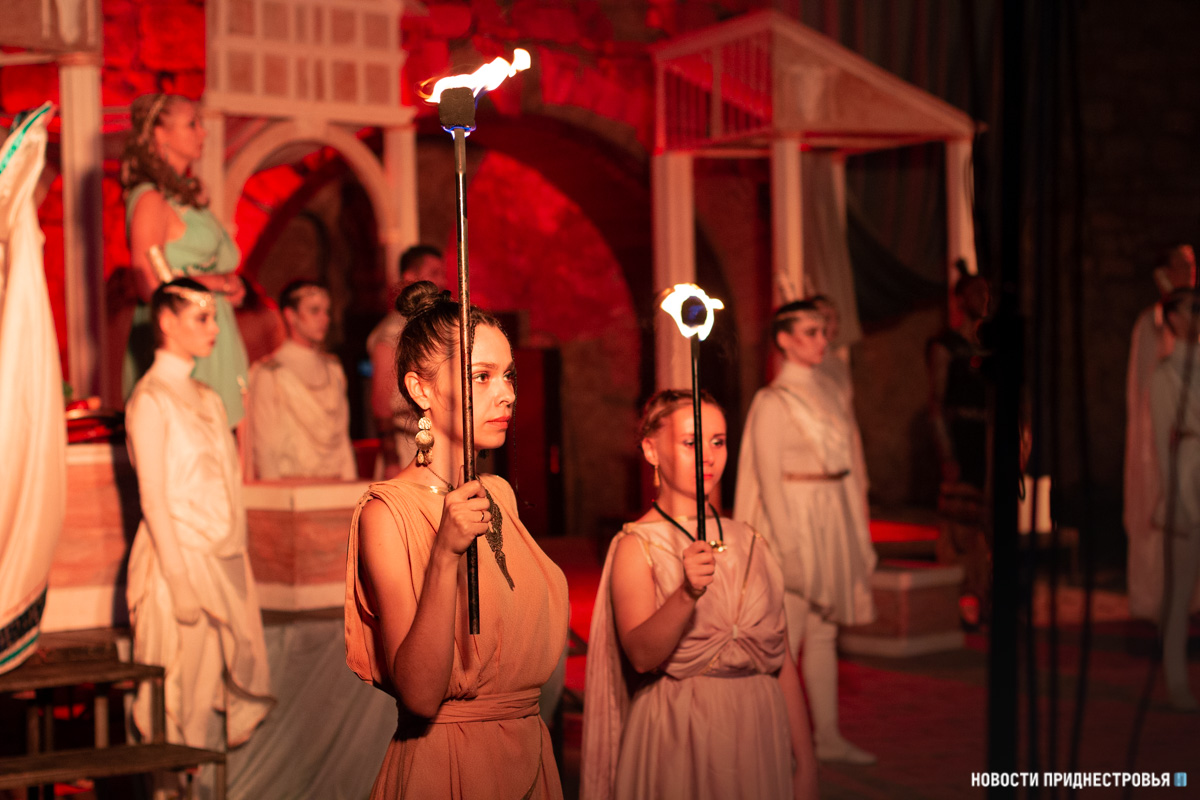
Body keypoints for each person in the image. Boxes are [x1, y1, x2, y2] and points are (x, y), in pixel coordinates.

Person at [345, 281, 568, 799]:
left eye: (508, 375)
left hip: (531, 759)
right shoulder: (387, 513)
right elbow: (420, 695)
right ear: (421, 389)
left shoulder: (499, 494)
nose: (507, 393)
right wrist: (445, 553)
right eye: (481, 376)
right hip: (448, 768)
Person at [582, 390, 818, 800]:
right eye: (692, 442)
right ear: (651, 450)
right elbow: (641, 655)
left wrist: (807, 762)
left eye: (718, 441)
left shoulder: (751, 540)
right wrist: (686, 593)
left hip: (759, 733)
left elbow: (780, 660)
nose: (709, 456)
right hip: (679, 735)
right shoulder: (637, 545)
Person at [124, 279, 272, 776]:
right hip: (178, 561)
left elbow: (227, 483)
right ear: (167, 321)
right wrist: (179, 579)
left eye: (213, 318)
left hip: (221, 558)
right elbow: (153, 496)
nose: (214, 329)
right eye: (201, 318)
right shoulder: (150, 399)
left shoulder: (209, 398)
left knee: (206, 698)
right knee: (176, 695)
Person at [734, 299, 877, 765]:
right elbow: (768, 479)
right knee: (786, 635)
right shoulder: (772, 400)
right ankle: (776, 740)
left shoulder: (831, 391)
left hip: (830, 516)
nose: (822, 340)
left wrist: (859, 534)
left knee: (823, 634)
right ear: (785, 339)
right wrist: (789, 550)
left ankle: (827, 736)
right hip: (794, 521)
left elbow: (852, 467)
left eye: (822, 331)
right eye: (811, 332)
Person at [121, 93, 250, 427]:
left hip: (212, 321)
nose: (203, 133)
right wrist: (216, 283)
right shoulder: (150, 198)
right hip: (182, 327)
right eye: (192, 124)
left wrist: (230, 285)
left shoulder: (185, 195)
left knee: (224, 430)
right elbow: (149, 282)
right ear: (160, 134)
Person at [1127, 244, 1196, 620]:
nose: (1191, 271)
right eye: (1182, 265)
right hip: (1161, 440)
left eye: (1192, 264)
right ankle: (1157, 601)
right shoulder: (1151, 323)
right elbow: (1145, 388)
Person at [926, 271, 992, 626]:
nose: (984, 299)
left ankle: (985, 597)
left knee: (986, 526)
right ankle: (956, 601)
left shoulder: (990, 348)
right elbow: (937, 403)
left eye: (986, 292)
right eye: (976, 292)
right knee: (959, 527)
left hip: (987, 442)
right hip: (961, 440)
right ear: (961, 299)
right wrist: (947, 452)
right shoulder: (945, 347)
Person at [247, 280, 357, 480]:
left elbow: (342, 441)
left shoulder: (333, 369)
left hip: (336, 483)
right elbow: (265, 449)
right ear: (291, 315)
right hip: (291, 487)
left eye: (326, 311)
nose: (324, 318)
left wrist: (351, 487)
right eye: (314, 311)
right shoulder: (269, 373)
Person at [1149, 287, 1200, 711]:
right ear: (1174, 319)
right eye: (1192, 309)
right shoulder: (1164, 375)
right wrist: (1175, 500)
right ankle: (1176, 681)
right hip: (1189, 479)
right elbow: (1162, 446)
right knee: (1180, 590)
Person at [367, 245, 447, 477]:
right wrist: (392, 460)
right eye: (434, 273)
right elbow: (381, 403)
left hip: (441, 444)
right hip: (406, 447)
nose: (442, 281)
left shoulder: (437, 327)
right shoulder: (391, 332)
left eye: (443, 274)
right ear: (410, 276)